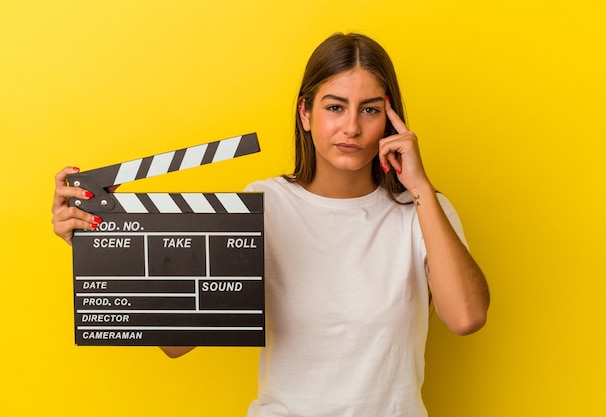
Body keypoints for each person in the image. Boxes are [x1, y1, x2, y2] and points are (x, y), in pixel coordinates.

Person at [52, 32, 490, 417]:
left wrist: (419, 186)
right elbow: (177, 343)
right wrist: (103, 247)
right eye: (335, 107)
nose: (352, 127)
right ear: (305, 113)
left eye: (370, 110)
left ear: (393, 120)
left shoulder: (422, 210)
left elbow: (466, 316)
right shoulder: (266, 206)